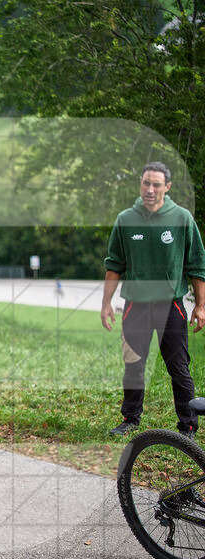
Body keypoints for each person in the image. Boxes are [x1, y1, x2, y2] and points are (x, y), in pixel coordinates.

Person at [101, 161, 205, 437]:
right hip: (135, 306)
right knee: (133, 366)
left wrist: (201, 306)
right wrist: (106, 303)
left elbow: (197, 265)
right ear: (140, 184)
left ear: (167, 187)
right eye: (146, 183)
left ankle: (188, 425)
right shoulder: (126, 219)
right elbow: (114, 265)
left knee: (179, 368)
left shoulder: (182, 218)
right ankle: (130, 418)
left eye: (156, 184)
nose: (150, 189)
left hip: (171, 306)